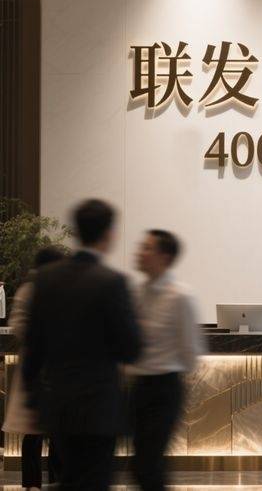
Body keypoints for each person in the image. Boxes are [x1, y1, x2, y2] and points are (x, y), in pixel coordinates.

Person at [22, 199, 142, 491]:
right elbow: (131, 349)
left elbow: (33, 348)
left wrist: (34, 401)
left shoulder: (46, 280)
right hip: (99, 409)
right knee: (94, 481)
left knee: (69, 477)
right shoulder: (112, 282)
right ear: (109, 233)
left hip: (59, 406)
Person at [128, 230, 205, 491]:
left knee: (149, 464)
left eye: (147, 248)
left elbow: (191, 351)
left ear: (165, 256)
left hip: (164, 388)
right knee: (141, 463)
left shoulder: (180, 296)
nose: (140, 252)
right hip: (138, 387)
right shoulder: (137, 292)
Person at [3, 246, 65, 490]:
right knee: (36, 432)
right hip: (38, 370)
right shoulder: (31, 291)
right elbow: (19, 324)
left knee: (54, 432)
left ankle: (52, 480)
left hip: (52, 370)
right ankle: (33, 483)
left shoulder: (54, 290)